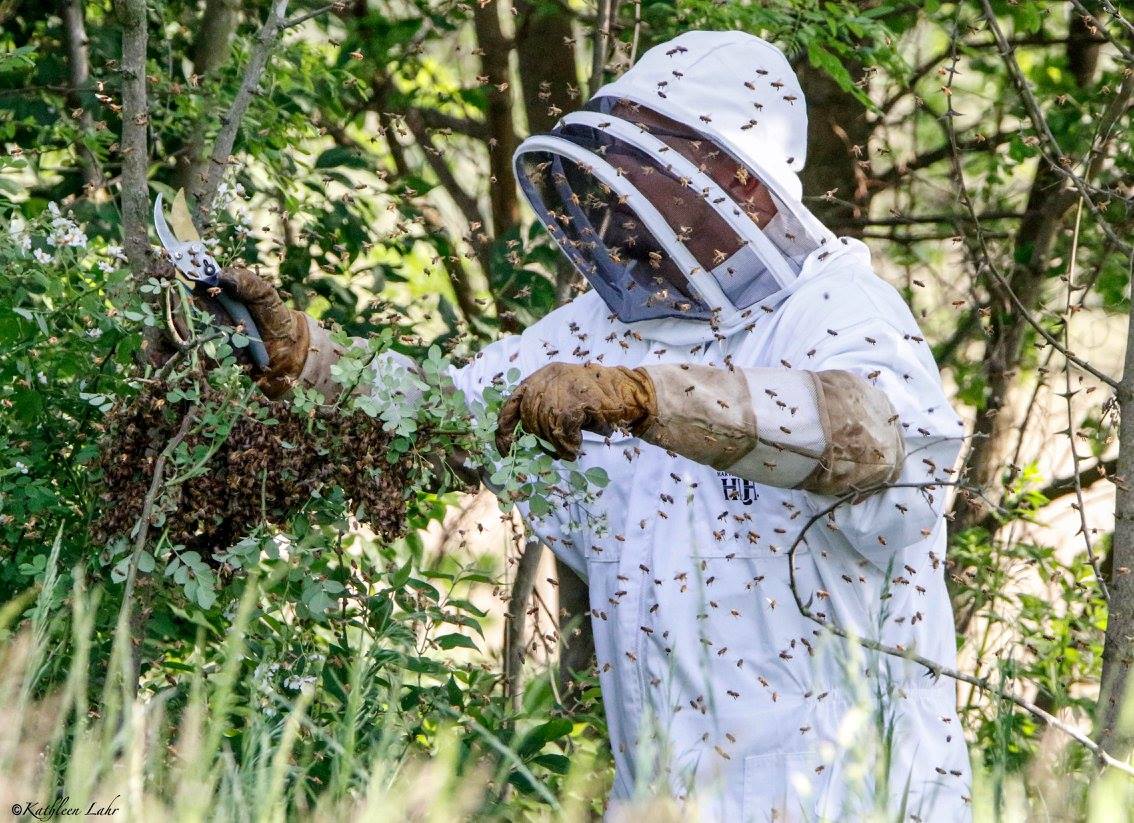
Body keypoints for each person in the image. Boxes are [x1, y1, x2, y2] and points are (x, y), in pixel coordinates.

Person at [219, 30, 972, 821]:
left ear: (739, 184)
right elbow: (445, 416)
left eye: (655, 174)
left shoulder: (838, 306)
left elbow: (880, 440)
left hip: (854, 793)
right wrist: (304, 357)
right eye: (626, 171)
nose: (626, 209)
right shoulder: (599, 331)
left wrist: (649, 398)